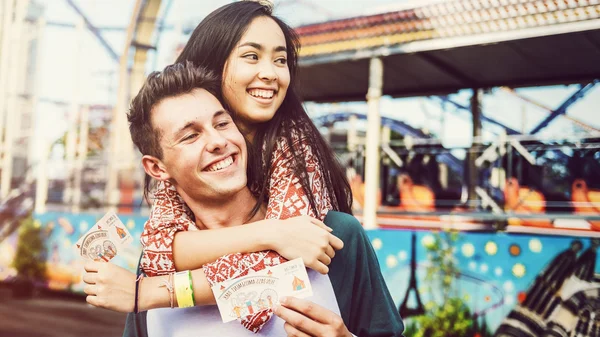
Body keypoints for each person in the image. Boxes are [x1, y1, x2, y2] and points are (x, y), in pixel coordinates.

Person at [83, 62, 403, 336]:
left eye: (222, 123)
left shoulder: (334, 234)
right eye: (191, 135)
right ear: (157, 168)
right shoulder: (158, 267)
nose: (219, 141)